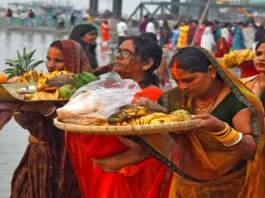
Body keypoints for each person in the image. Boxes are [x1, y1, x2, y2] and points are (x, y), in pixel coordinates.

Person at [66, 36, 171, 198]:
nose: (118, 56)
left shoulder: (151, 95)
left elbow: (141, 147)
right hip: (108, 172)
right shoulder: (116, 91)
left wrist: (111, 164)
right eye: (118, 51)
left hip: (130, 176)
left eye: (126, 53)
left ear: (147, 64)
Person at [157, 46, 264, 197]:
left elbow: (253, 152)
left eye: (189, 80)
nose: (183, 87)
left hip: (228, 189)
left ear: (211, 71)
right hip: (184, 188)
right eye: (176, 81)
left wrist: (221, 129)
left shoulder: (237, 103)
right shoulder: (173, 98)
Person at [10, 40, 92, 198]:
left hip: (67, 161)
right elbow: (30, 126)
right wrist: (18, 107)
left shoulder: (86, 92)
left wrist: (49, 109)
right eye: (48, 59)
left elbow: (74, 128)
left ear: (73, 62)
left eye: (58, 61)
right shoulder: (42, 85)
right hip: (38, 157)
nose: (50, 65)